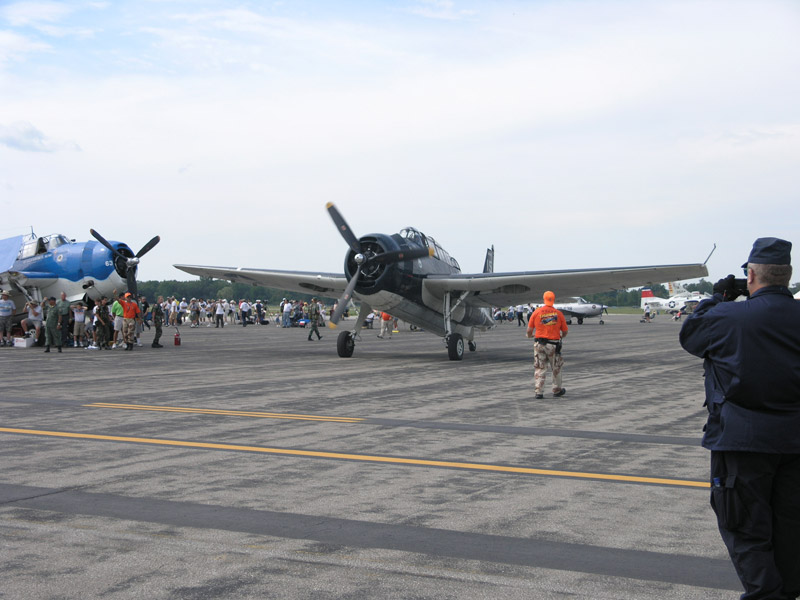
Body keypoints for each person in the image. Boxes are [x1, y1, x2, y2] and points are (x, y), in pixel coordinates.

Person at [679, 237, 800, 600]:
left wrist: (716, 297)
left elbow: (690, 334)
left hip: (743, 441)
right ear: (787, 275)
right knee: (791, 526)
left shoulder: (728, 317)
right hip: (795, 440)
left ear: (751, 276)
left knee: (745, 527)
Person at [526, 290, 568, 399]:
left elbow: (529, 330)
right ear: (553, 300)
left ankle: (539, 392)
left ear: (544, 299)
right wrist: (561, 336)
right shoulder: (558, 314)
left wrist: (530, 335)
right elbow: (565, 331)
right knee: (556, 367)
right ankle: (557, 390)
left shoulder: (536, 312)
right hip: (553, 345)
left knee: (540, 368)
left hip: (539, 344)